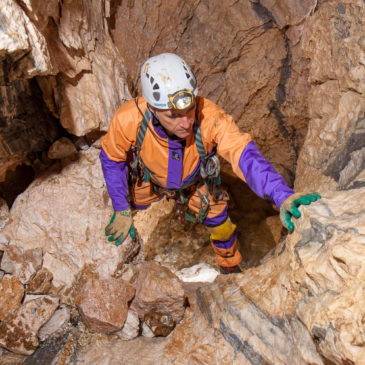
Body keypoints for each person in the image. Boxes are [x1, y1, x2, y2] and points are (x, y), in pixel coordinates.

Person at [100, 53, 320, 274]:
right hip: (149, 182)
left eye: (189, 110)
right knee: (128, 207)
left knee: (222, 227)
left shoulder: (210, 117)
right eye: (174, 115)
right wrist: (121, 208)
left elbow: (244, 155)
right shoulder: (129, 119)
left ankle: (230, 268)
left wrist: (281, 194)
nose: (186, 123)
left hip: (195, 184)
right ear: (152, 109)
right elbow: (112, 160)